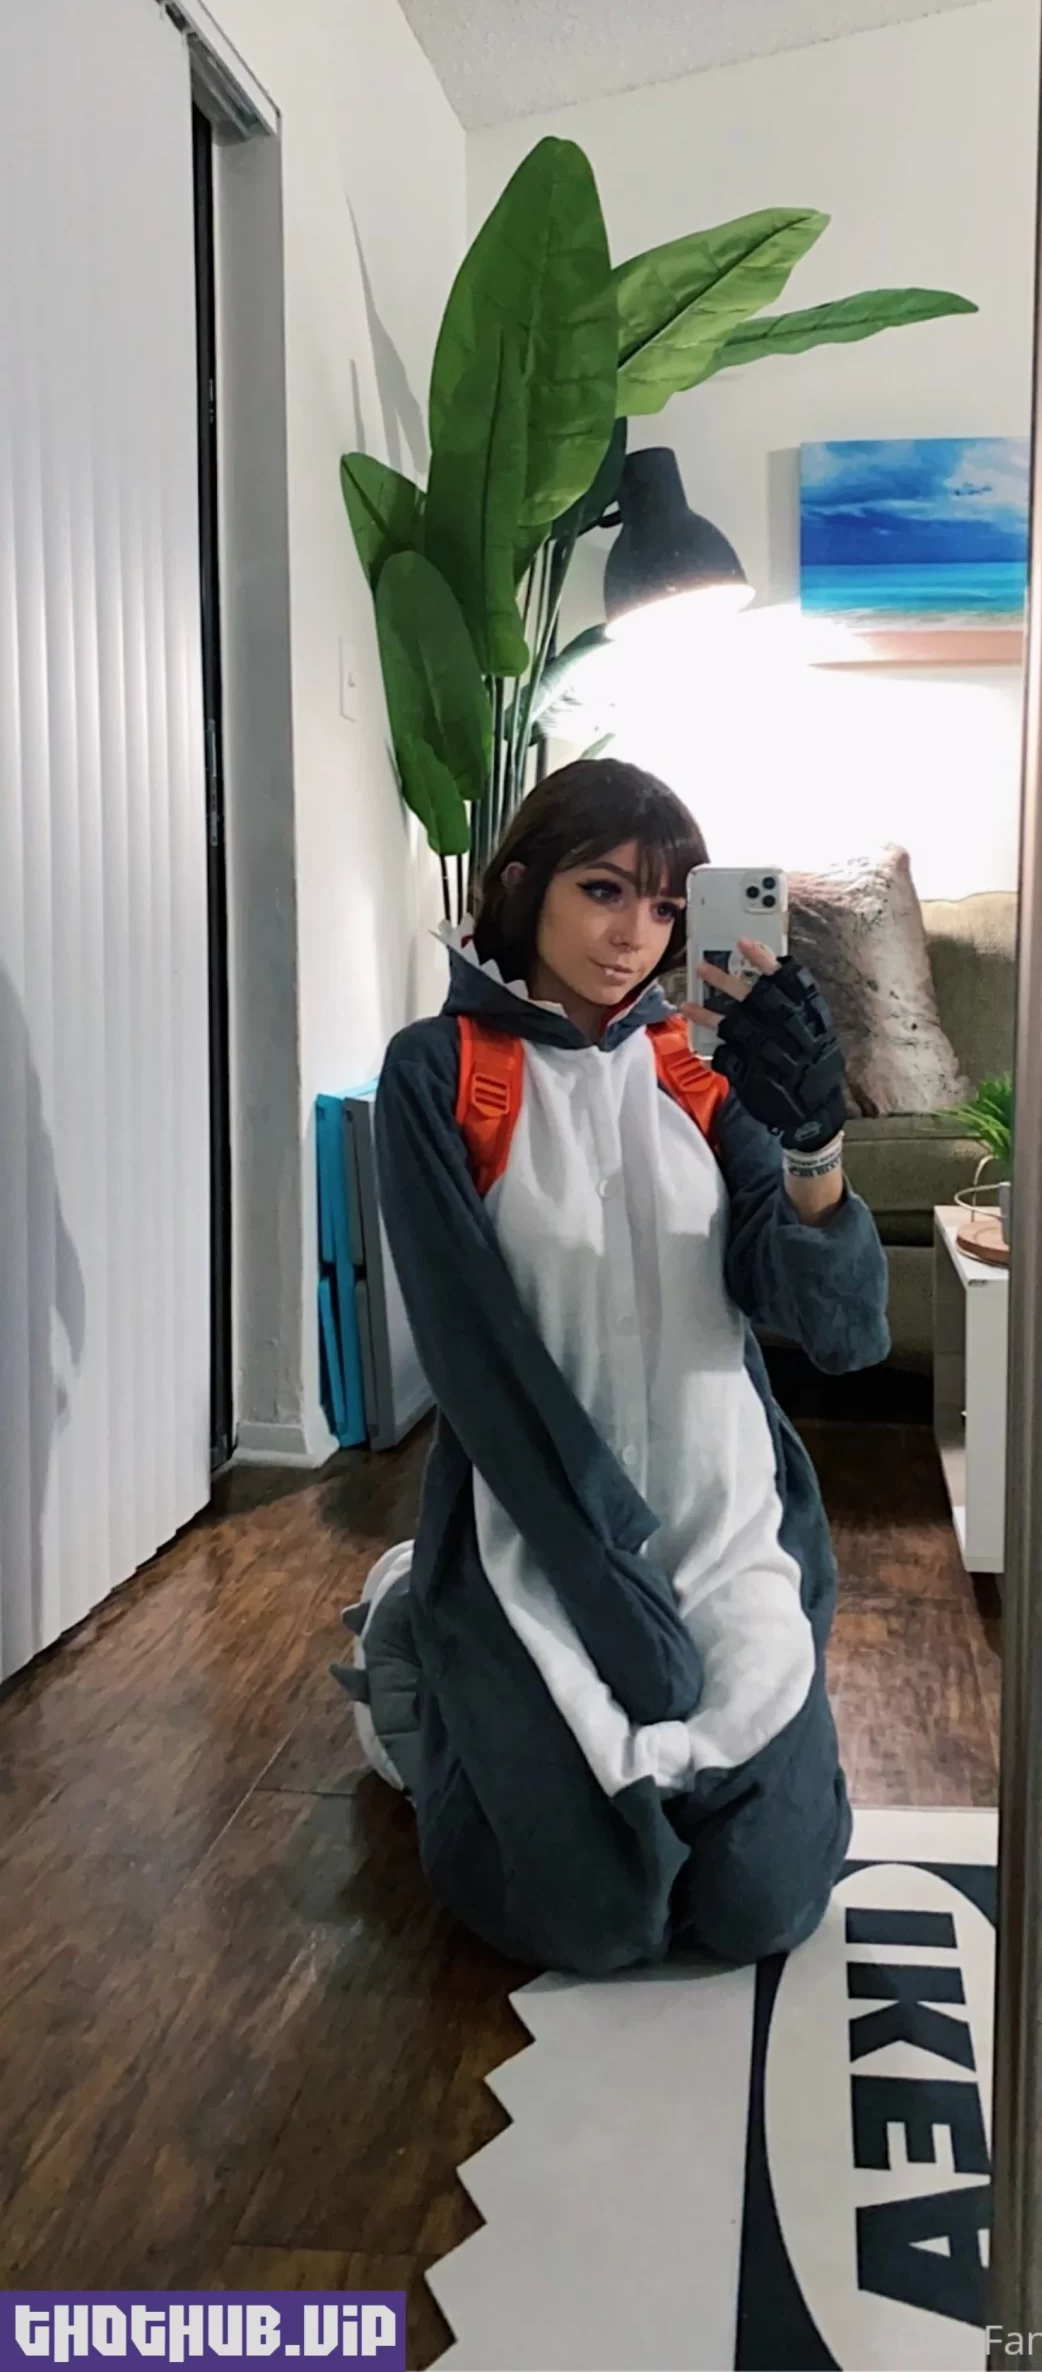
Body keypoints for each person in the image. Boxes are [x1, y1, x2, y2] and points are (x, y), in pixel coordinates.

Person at [335, 758, 890, 1976]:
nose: (634, 934)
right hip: (533, 1527)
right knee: (594, 1921)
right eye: (603, 890)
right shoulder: (440, 1071)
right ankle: (414, 1648)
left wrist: (811, 1144)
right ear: (523, 886)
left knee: (759, 1907)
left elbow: (838, 1331)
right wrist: (599, 1570)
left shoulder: (701, 1071)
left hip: (725, 1521)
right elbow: (473, 1355)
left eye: (664, 906)